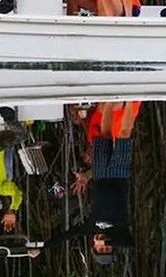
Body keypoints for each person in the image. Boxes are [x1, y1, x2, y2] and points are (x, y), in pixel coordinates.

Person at [28, 101, 140, 264]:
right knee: (124, 133)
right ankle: (130, 99)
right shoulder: (119, 232)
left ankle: (111, 100)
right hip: (119, 175)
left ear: (93, 245)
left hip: (100, 175)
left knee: (104, 134)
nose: (103, 246)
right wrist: (109, 241)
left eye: (100, 249)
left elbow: (66, 236)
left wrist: (42, 248)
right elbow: (130, 244)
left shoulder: (90, 227)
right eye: (107, 249)